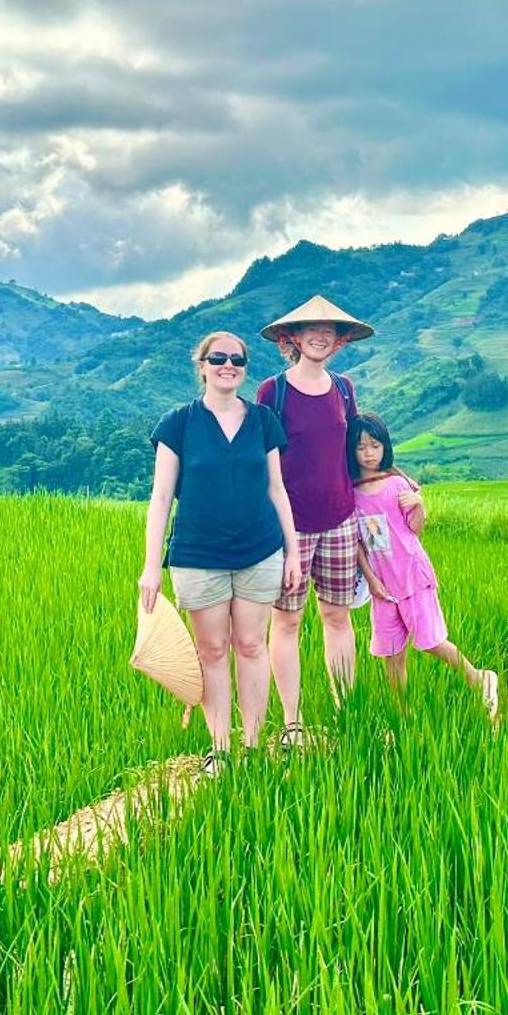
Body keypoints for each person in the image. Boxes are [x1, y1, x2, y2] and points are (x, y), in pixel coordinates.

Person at [140, 330, 304, 775]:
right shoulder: (179, 423)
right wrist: (151, 566)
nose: (228, 365)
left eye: (237, 359)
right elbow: (160, 498)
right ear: (202, 365)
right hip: (197, 555)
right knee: (212, 651)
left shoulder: (264, 420)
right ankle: (221, 748)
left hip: (260, 550)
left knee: (251, 645)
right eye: (218, 358)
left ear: (245, 368)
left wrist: (292, 552)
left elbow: (277, 488)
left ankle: (251, 745)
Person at [256, 295, 372, 744]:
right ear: (293, 338)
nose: (320, 336)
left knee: (338, 617)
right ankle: (292, 723)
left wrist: (391, 477)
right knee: (286, 620)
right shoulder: (274, 391)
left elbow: (358, 447)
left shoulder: (343, 388)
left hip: (341, 519)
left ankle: (346, 713)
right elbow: (261, 457)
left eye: (329, 330)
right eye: (311, 330)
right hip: (292, 526)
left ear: (339, 340)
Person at [348, 410, 499, 717]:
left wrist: (419, 505)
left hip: (412, 577)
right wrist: (371, 580)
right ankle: (403, 714)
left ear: (385, 446)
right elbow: (358, 543)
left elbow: (415, 528)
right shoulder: (351, 494)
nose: (368, 453)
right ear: (351, 450)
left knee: (431, 641)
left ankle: (478, 678)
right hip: (383, 584)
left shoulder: (396, 485)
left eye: (374, 446)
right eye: (361, 447)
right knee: (391, 654)